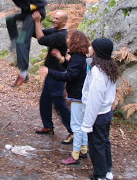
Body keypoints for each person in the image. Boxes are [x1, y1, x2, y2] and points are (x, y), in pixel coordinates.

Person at [39, 30, 90, 165]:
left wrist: (50, 71)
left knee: (76, 125)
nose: (66, 40)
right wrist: (61, 59)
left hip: (78, 96)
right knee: (81, 125)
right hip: (81, 95)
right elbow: (73, 69)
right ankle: (83, 150)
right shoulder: (80, 57)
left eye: (69, 38)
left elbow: (69, 75)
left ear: (74, 42)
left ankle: (75, 155)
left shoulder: (77, 58)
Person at [81, 38, 120, 180]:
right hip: (106, 112)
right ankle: (107, 170)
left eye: (92, 45)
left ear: (97, 51)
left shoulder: (97, 71)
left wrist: (87, 123)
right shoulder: (108, 66)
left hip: (97, 114)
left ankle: (100, 175)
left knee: (96, 146)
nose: (89, 47)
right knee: (104, 142)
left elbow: (94, 100)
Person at [32, 10, 73, 141]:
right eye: (54, 18)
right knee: (44, 100)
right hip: (50, 73)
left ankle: (73, 131)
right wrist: (32, 20)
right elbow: (36, 33)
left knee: (59, 104)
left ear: (64, 22)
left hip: (57, 74)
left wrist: (37, 21)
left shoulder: (62, 35)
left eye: (57, 19)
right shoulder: (56, 31)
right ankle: (48, 126)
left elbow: (42, 40)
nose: (54, 20)